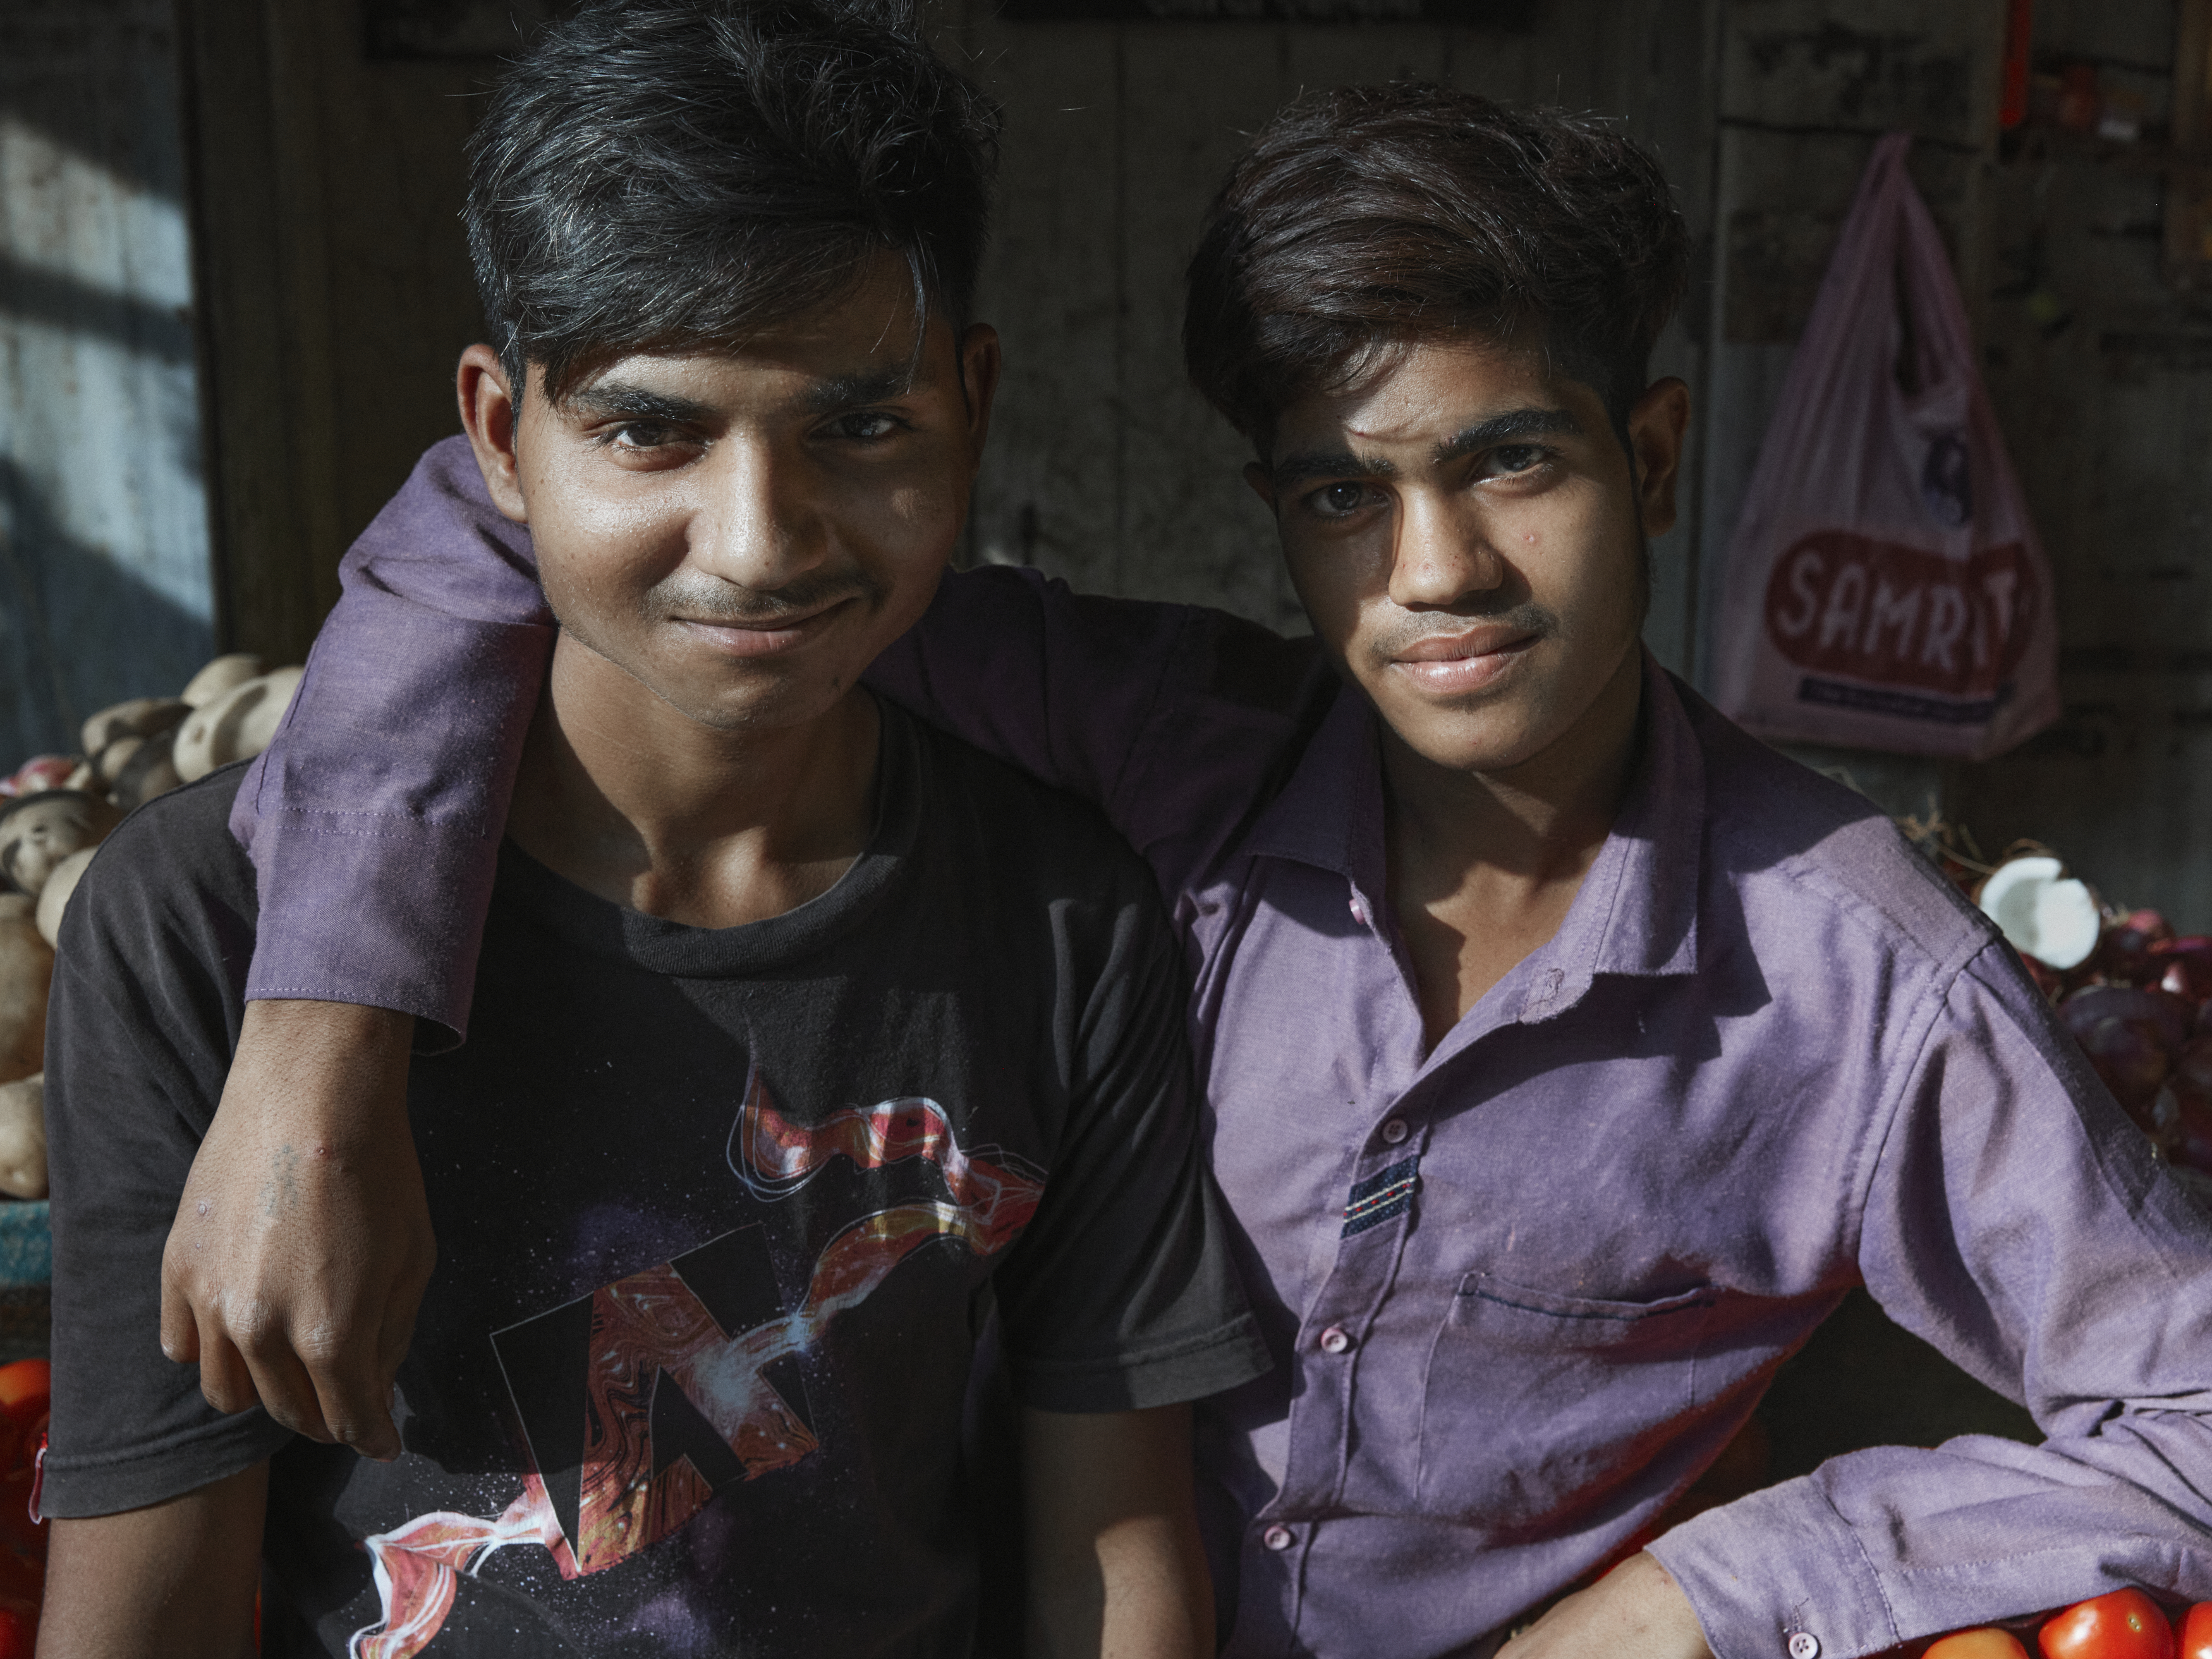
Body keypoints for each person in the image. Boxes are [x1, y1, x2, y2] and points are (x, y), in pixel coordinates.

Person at [160, 76, 2212, 1659]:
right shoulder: (1163, 746)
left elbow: (2190, 1409)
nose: (1438, 578)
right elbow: (500, 517)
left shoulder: (1857, 972)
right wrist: (323, 1031)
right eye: (1345, 490)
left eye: (1514, 459)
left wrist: (1700, 1595)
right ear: (1274, 508)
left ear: (1651, 455)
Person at [36, 4, 1269, 1652]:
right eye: (646, 429)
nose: (757, 544)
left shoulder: (1067, 922)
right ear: (498, 435)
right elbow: (151, 1609)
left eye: (860, 424)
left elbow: (1107, 1547)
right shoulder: (198, 927)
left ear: (970, 403)